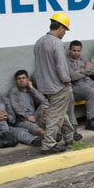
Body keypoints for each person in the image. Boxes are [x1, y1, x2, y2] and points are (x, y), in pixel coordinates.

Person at [32, 13, 75, 155]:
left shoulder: (39, 42)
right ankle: (48, 144)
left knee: (59, 111)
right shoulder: (57, 43)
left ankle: (70, 136)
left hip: (45, 85)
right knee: (55, 115)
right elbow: (61, 66)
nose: (64, 33)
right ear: (61, 27)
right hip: (58, 85)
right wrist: (67, 81)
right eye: (65, 30)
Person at [0, 79, 37, 147]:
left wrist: (7, 117)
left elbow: (13, 119)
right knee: (0, 106)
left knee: (20, 132)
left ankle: (34, 141)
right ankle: (5, 136)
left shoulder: (5, 100)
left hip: (7, 127)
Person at [7, 70, 47, 137]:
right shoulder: (13, 92)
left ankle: (52, 133)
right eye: (19, 79)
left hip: (35, 116)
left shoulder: (31, 89)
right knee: (32, 126)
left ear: (27, 79)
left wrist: (32, 88)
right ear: (16, 81)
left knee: (46, 103)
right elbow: (15, 107)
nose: (21, 80)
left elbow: (43, 100)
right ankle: (46, 135)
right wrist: (27, 117)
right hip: (22, 120)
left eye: (23, 78)